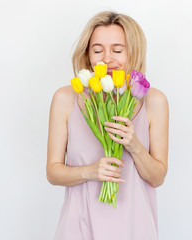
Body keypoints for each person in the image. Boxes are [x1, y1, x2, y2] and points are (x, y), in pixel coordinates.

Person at [46, 11, 169, 240]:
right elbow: (53, 172)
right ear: (88, 54)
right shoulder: (65, 98)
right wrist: (90, 172)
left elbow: (157, 178)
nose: (107, 59)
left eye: (118, 50)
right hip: (79, 227)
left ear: (134, 52)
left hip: (135, 227)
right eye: (97, 50)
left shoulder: (154, 101)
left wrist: (134, 145)